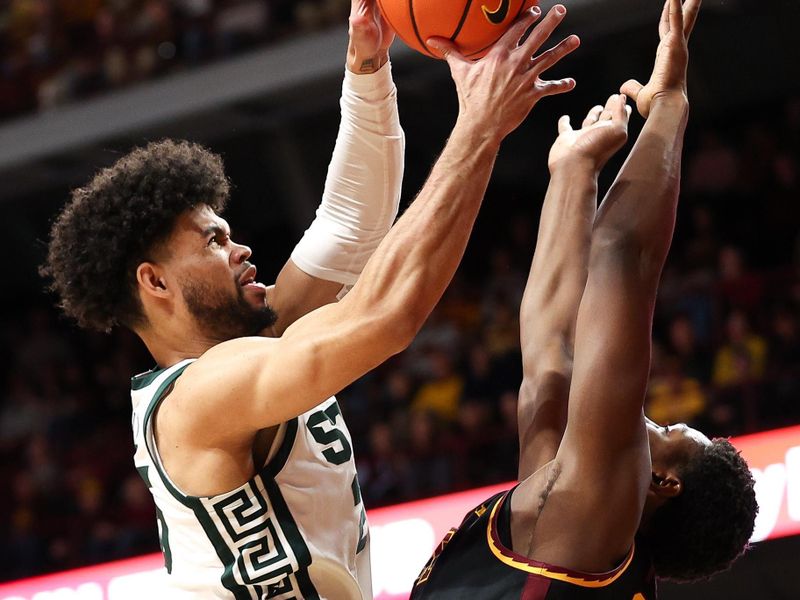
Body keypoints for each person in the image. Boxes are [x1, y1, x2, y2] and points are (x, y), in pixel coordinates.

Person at [41, 0, 581, 596]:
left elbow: (349, 227)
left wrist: (368, 69)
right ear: (156, 281)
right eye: (214, 241)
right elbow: (386, 316)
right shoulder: (196, 400)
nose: (240, 248)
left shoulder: (256, 345)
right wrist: (479, 126)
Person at [410, 1, 758, 597]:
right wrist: (574, 176)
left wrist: (670, 102)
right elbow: (549, 359)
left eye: (671, 430)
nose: (653, 415)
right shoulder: (564, 517)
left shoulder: (604, 505)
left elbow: (625, 257)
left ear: (663, 483)